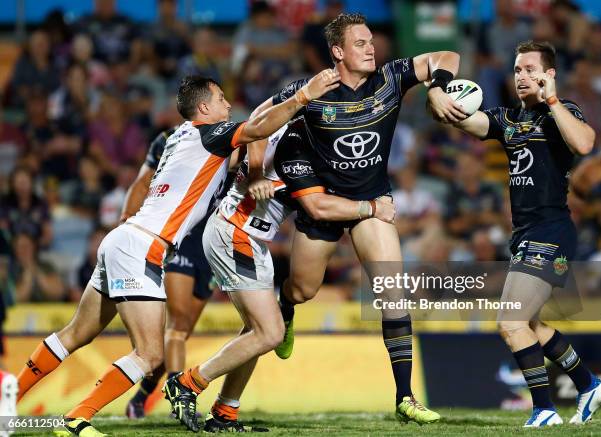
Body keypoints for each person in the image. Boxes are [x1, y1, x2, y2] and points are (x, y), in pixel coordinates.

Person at [15, 70, 339, 437]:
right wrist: (300, 98)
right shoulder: (210, 135)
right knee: (150, 354)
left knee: (75, 334)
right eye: (220, 99)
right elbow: (257, 129)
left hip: (124, 239)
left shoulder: (179, 137)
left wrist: (253, 170)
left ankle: (7, 406)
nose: (228, 105)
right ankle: (76, 419)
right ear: (203, 107)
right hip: (144, 246)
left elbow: (247, 140)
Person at [249, 12, 465, 424]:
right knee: (302, 289)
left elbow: (447, 54)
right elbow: (257, 125)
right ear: (338, 52)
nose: (372, 48)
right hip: (324, 204)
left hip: (373, 204)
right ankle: (286, 306)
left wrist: (436, 88)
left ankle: (405, 397)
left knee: (392, 291)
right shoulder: (310, 89)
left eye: (371, 42)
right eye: (361, 44)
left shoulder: (391, 78)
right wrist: (296, 106)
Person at [164, 118, 395, 432]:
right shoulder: (297, 138)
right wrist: (372, 208)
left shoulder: (302, 138)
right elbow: (317, 206)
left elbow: (260, 132)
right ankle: (189, 382)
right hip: (235, 234)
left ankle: (225, 411)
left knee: (256, 331)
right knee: (270, 333)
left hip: (251, 239)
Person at [450, 40, 601, 427]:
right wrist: (439, 94)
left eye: (530, 70)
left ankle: (544, 409)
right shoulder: (508, 120)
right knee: (532, 324)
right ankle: (588, 384)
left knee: (510, 322)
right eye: (517, 69)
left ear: (549, 75)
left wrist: (553, 102)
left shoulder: (563, 111)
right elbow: (464, 120)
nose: (521, 76)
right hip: (525, 234)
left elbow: (586, 143)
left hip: (551, 230)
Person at [120, 127, 244, 428]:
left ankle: (141, 396)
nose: (226, 108)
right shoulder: (169, 139)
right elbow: (142, 181)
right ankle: (180, 393)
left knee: (182, 331)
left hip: (212, 245)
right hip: (182, 238)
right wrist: (125, 224)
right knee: (176, 327)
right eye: (219, 101)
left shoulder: (229, 138)